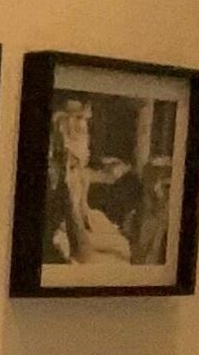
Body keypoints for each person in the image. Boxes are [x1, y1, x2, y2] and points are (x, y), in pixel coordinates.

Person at [42, 93, 137, 264]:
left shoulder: (82, 172)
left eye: (84, 118)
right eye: (79, 117)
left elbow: (124, 249)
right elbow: (81, 252)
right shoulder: (62, 161)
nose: (84, 122)